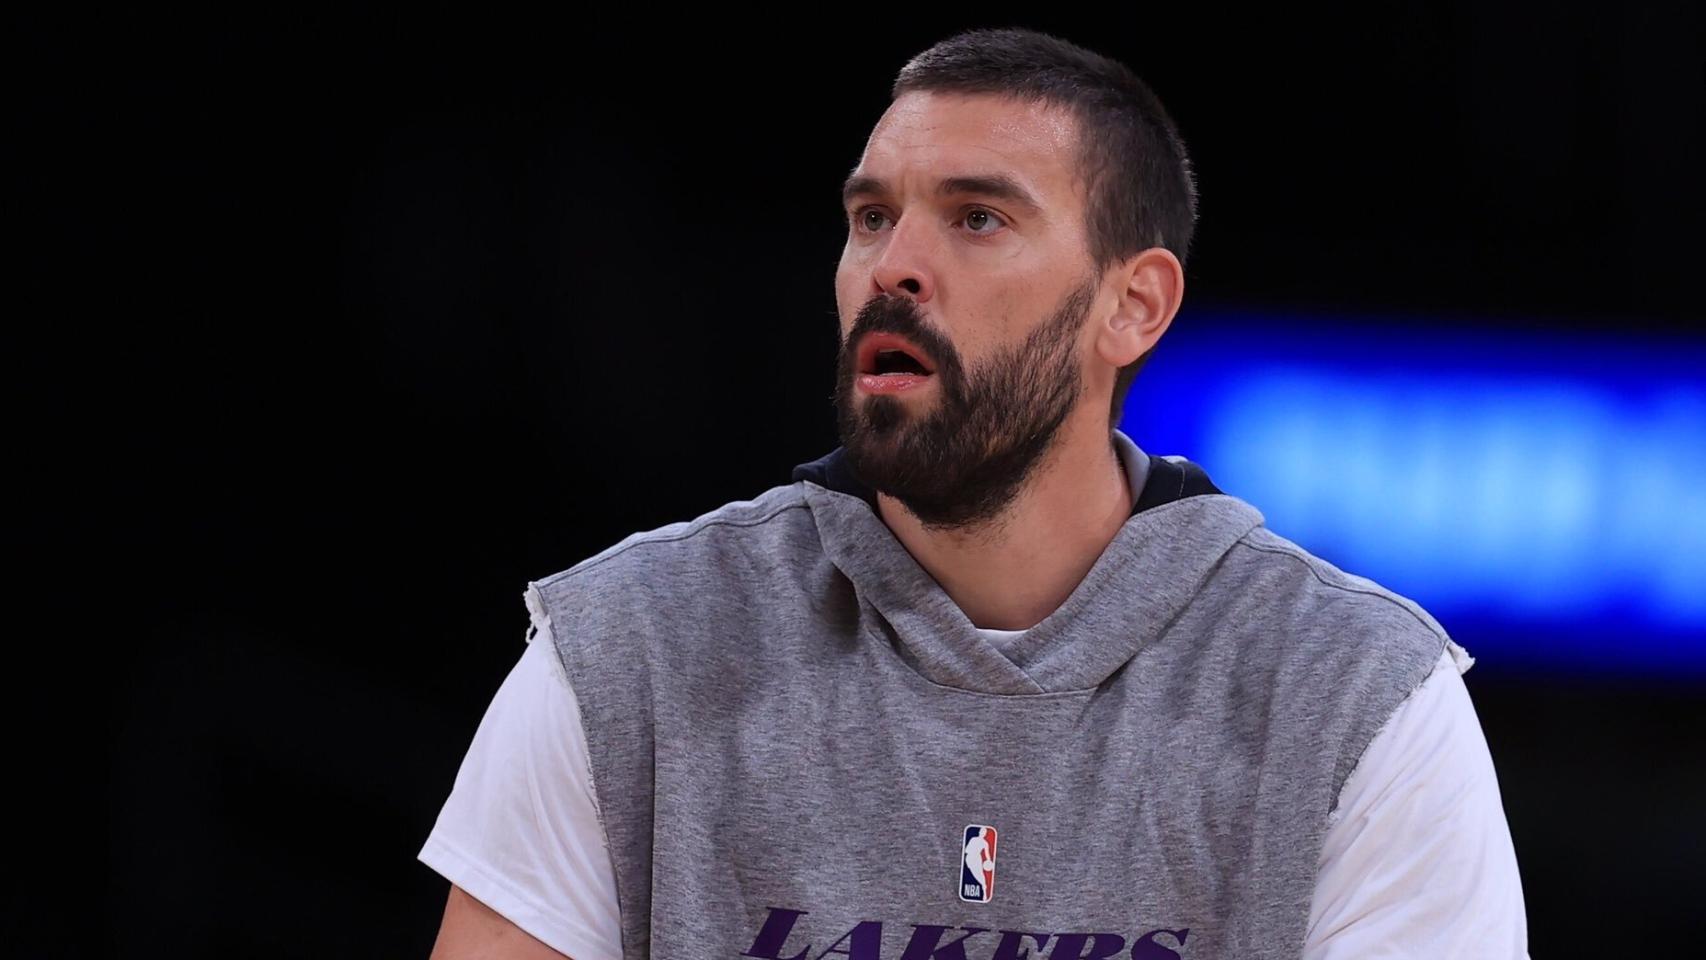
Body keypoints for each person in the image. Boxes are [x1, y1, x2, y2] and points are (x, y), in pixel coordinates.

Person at [421, 27, 1529, 960]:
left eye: (975, 218)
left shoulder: (1358, 697)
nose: (892, 266)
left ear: (1131, 306)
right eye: (870, 218)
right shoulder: (628, 644)